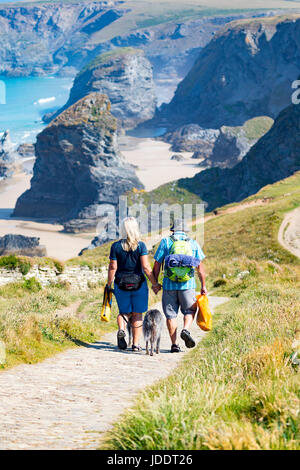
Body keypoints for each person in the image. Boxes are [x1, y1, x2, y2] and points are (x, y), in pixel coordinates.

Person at [107, 217, 161, 352]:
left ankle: (121, 330)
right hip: (139, 285)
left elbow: (113, 266)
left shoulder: (116, 246)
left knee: (123, 312)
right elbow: (146, 267)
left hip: (120, 284)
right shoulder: (141, 246)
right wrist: (155, 284)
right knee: (137, 314)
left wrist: (109, 284)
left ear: (122, 229)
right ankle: (135, 345)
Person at [153, 219, 207, 353]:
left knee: (170, 315)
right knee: (190, 311)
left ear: (172, 230)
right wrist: (203, 286)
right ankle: (186, 329)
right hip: (187, 284)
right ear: (185, 230)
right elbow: (200, 268)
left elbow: (157, 265)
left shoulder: (166, 242)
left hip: (169, 284)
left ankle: (174, 344)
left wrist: (155, 283)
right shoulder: (193, 243)